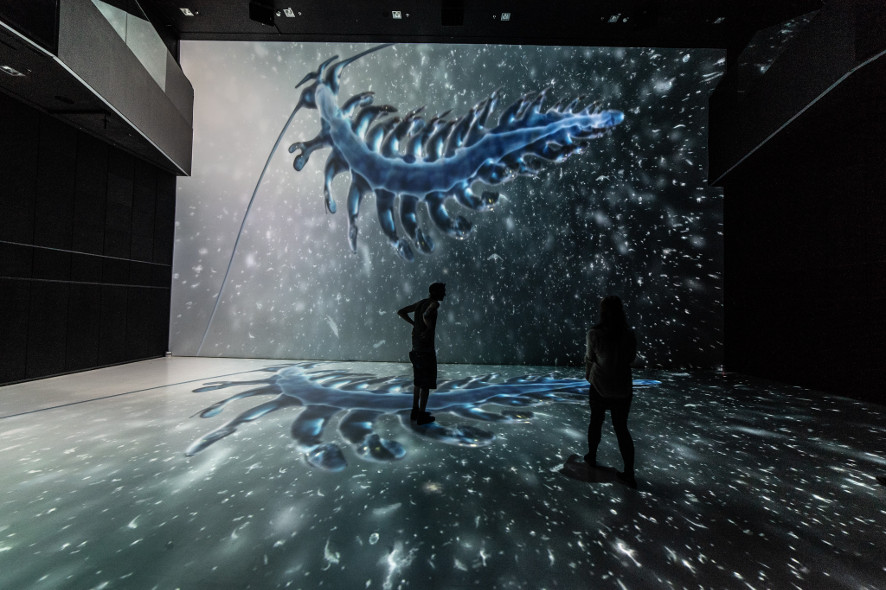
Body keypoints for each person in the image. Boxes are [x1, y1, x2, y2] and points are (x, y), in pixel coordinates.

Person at [584, 295, 638, 488]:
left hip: (600, 385)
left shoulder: (594, 334)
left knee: (596, 422)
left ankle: (591, 456)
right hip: (623, 388)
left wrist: (589, 376)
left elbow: (590, 358)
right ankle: (629, 472)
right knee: (621, 428)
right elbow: (631, 359)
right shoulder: (629, 334)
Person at [397, 283, 446, 425]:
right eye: (442, 291)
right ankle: (422, 415)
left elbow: (401, 312)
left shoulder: (420, 303)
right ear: (435, 292)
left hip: (416, 347)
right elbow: (426, 314)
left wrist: (414, 324)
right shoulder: (434, 304)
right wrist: (428, 328)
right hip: (426, 349)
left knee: (418, 381)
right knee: (426, 383)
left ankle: (415, 410)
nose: (444, 294)